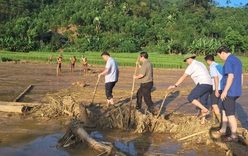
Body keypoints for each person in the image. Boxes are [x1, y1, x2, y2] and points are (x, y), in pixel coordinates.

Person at [167, 53, 212, 125]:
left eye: (186, 60)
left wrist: (175, 85)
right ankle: (203, 121)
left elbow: (183, 77)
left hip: (202, 83)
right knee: (203, 102)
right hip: (209, 84)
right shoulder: (201, 63)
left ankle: (205, 110)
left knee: (191, 97)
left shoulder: (192, 65)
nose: (186, 62)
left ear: (190, 59)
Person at [213, 46, 243, 142]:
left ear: (223, 53)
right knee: (224, 110)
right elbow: (241, 75)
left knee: (230, 114)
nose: (220, 58)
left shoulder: (229, 61)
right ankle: (223, 129)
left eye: (219, 56)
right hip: (236, 90)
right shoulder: (237, 60)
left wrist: (225, 91)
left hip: (230, 91)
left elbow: (230, 76)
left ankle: (234, 136)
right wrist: (239, 87)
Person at [204, 54, 223, 128]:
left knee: (214, 104)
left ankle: (220, 122)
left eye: (206, 61)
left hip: (216, 87)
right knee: (214, 103)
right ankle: (213, 120)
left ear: (208, 60)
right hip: (222, 87)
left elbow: (216, 78)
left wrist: (216, 90)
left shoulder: (212, 67)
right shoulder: (219, 65)